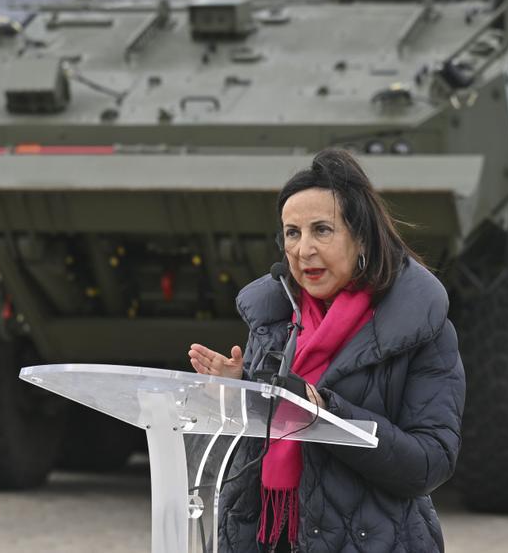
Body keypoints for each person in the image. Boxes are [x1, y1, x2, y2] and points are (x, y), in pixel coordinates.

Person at [188, 148, 465, 553]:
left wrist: (327, 414)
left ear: (361, 238)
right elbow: (256, 439)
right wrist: (239, 389)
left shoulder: (421, 330)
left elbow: (430, 462)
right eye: (292, 233)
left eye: (322, 230)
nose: (303, 250)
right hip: (263, 537)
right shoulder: (274, 320)